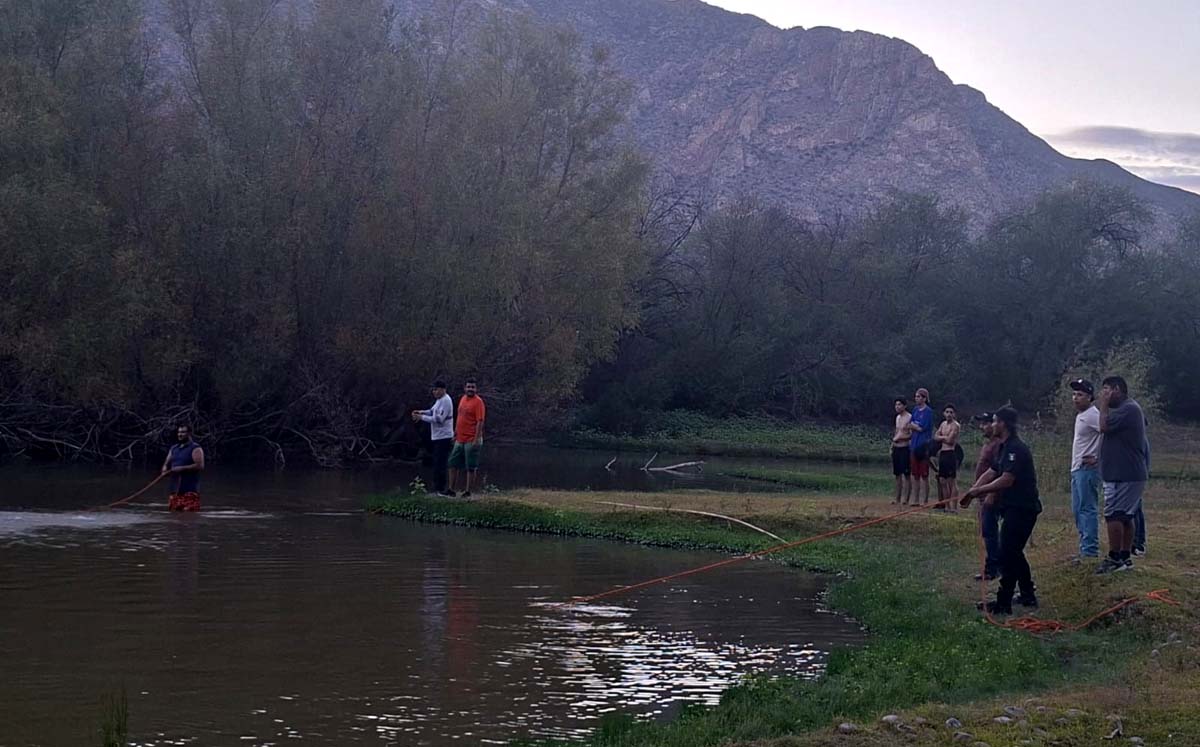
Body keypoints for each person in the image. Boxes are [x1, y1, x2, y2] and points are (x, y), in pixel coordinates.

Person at [960, 407, 1041, 614]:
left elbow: (1007, 479)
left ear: (1003, 424)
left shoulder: (1016, 448)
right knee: (1014, 552)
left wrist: (979, 490)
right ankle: (1027, 595)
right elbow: (992, 471)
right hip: (1013, 508)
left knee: (1007, 553)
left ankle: (1003, 603)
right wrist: (972, 491)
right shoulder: (1004, 448)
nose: (991, 424)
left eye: (994, 421)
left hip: (1023, 508)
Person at [1095, 375, 1150, 574]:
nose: (1103, 393)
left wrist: (1103, 405)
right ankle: (1125, 557)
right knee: (1126, 516)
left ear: (1117, 389)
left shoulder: (1129, 408)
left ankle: (1115, 557)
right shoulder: (1126, 409)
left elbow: (1103, 426)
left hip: (1126, 474)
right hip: (1121, 473)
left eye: (1106, 389)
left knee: (1114, 515)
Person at [1068, 379, 1102, 561]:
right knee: (1077, 509)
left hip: (1087, 469)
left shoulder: (1092, 415)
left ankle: (1090, 551)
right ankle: (1084, 547)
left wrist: (1099, 458)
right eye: (1074, 394)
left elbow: (1109, 434)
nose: (1075, 398)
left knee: (1087, 509)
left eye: (1080, 395)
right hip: (1077, 469)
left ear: (1090, 397)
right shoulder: (1081, 415)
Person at [971, 412, 1002, 581]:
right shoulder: (988, 444)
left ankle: (993, 569)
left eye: (985, 423)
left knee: (990, 532)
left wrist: (991, 493)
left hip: (991, 495)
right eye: (981, 424)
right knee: (986, 531)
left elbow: (998, 472)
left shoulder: (997, 445)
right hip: (982, 493)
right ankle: (993, 566)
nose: (982, 427)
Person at [413, 381, 455, 497]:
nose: (434, 392)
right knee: (436, 463)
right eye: (433, 390)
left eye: (436, 389)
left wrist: (421, 417)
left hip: (444, 436)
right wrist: (421, 411)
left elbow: (439, 419)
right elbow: (432, 411)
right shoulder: (439, 401)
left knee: (440, 463)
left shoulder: (446, 401)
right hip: (437, 436)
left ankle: (441, 489)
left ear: (443, 389)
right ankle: (437, 489)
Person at [447, 379, 486, 498]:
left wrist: (476, 439)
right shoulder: (463, 399)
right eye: (468, 387)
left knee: (470, 466)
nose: (470, 389)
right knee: (452, 463)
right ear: (465, 388)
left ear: (476, 389)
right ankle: (451, 489)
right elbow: (460, 417)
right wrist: (455, 433)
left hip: (471, 439)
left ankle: (468, 491)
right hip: (460, 438)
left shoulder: (478, 402)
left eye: (473, 387)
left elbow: (480, 421)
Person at [162, 424, 205, 512]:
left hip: (190, 491)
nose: (180, 434)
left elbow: (200, 466)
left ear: (189, 433)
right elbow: (166, 463)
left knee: (189, 520)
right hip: (174, 491)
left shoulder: (195, 448)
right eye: (179, 432)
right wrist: (164, 469)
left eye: (183, 432)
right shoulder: (174, 448)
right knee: (173, 519)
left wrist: (181, 468)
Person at [907, 388, 934, 505]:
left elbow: (922, 427)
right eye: (916, 396)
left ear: (924, 398)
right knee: (915, 474)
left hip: (924, 445)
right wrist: (914, 426)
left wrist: (914, 426)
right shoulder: (915, 410)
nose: (916, 398)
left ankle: (925, 500)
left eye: (918, 396)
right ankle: (916, 499)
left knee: (924, 475)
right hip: (914, 444)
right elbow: (910, 424)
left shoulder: (928, 412)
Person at [933, 404, 961, 512]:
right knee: (942, 480)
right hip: (943, 454)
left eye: (951, 412)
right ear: (944, 413)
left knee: (951, 481)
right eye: (947, 412)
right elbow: (935, 437)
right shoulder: (943, 424)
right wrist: (944, 437)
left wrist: (942, 437)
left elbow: (950, 441)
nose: (949, 414)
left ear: (954, 414)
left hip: (950, 454)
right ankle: (947, 506)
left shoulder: (956, 425)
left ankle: (954, 507)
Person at [891, 397, 913, 505]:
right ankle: (897, 498)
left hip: (905, 448)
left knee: (907, 474)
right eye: (896, 405)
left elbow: (911, 435)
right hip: (896, 447)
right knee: (897, 474)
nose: (897, 407)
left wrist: (901, 438)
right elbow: (897, 432)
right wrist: (892, 445)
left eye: (899, 404)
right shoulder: (897, 418)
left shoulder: (910, 417)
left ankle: (906, 499)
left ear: (904, 406)